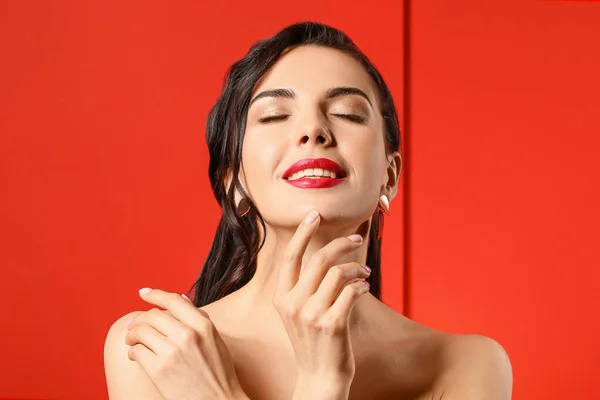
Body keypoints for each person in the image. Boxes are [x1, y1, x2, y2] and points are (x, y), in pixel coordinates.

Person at [104, 21, 513, 400]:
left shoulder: (464, 365)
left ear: (390, 176)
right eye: (275, 115)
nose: (312, 129)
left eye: (347, 113)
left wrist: (317, 383)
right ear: (235, 182)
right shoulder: (157, 348)